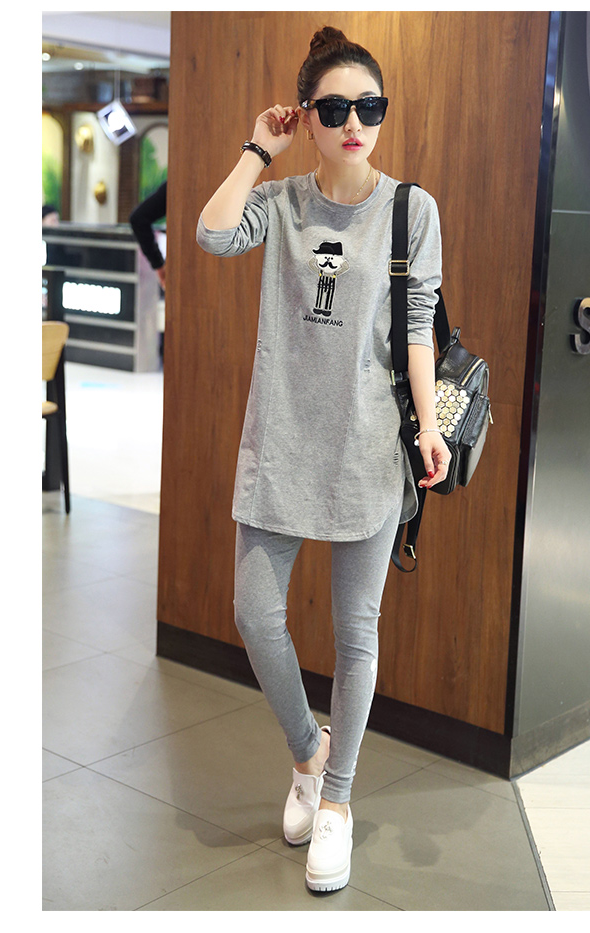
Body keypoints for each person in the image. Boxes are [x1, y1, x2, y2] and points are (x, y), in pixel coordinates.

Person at [196, 26, 449, 893]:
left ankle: (335, 800)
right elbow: (211, 234)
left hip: (368, 450)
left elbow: (417, 330)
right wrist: (254, 151)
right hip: (281, 442)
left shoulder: (412, 210)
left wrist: (428, 426)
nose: (353, 124)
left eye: (368, 107)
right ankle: (309, 751)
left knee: (355, 632)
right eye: (334, 109)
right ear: (305, 117)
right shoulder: (281, 201)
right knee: (254, 614)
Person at [129, 181, 167, 290]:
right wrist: (158, 263)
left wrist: (158, 265)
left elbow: (138, 219)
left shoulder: (177, 183)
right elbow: (138, 220)